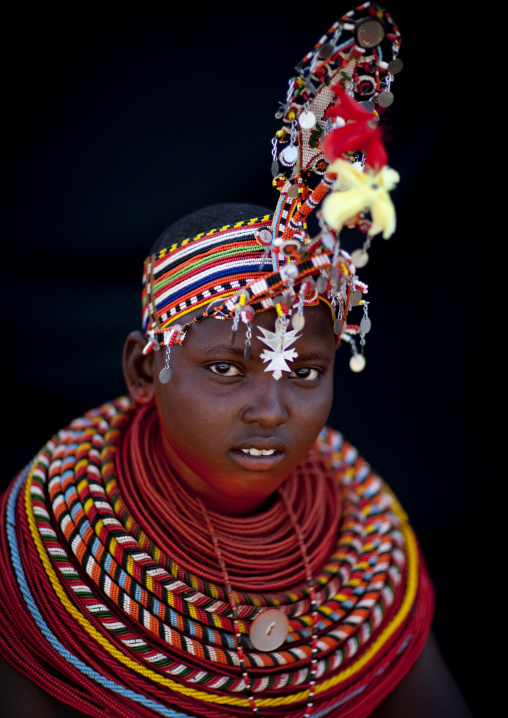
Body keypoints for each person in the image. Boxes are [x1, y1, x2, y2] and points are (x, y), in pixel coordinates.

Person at [0, 6, 474, 717]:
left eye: (306, 372)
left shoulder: (370, 541)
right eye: (226, 368)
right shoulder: (51, 538)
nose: (271, 409)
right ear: (141, 371)